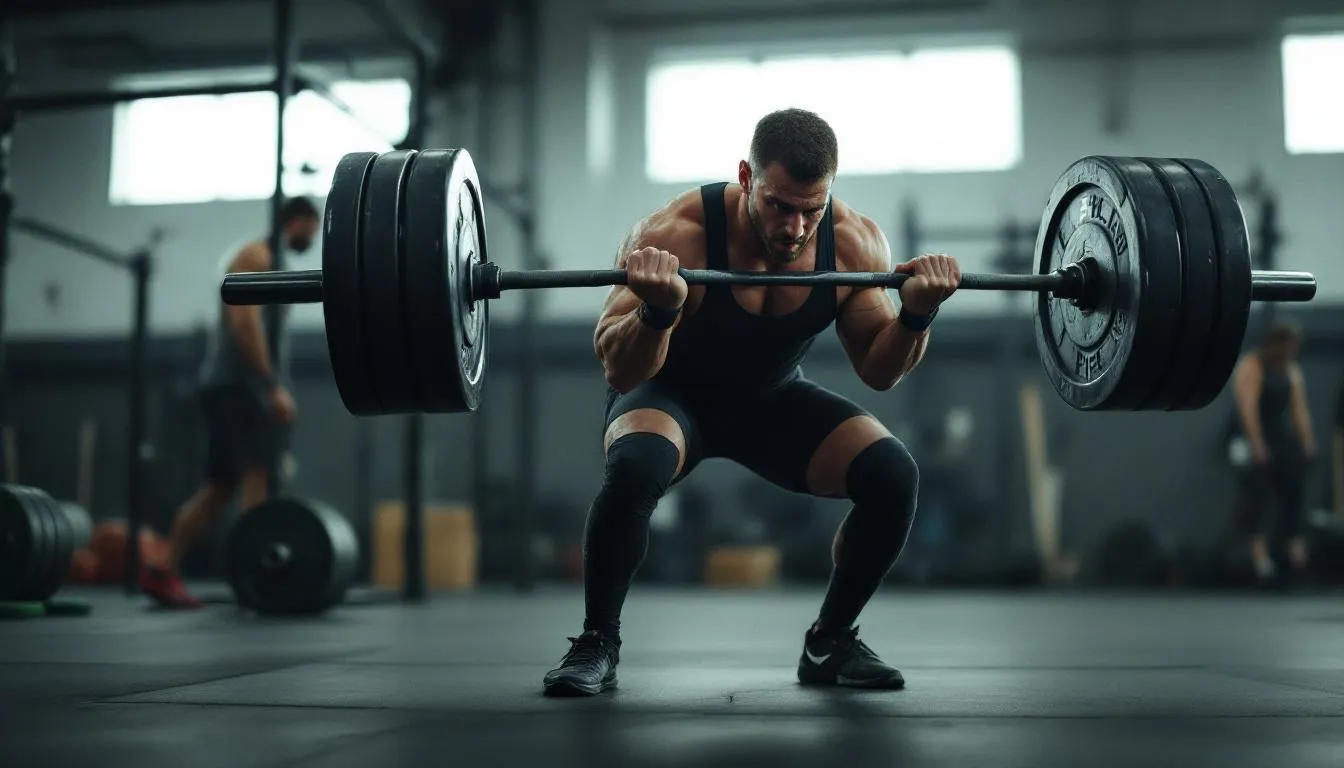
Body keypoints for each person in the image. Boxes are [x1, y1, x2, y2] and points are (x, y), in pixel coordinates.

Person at [542, 108, 961, 696]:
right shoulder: (674, 234)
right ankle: (597, 643)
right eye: (779, 205)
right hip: (670, 394)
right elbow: (620, 366)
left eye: (811, 210)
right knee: (637, 467)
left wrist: (918, 314)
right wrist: (657, 311)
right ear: (746, 176)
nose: (795, 228)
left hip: (769, 401)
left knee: (892, 475)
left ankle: (829, 642)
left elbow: (879, 370)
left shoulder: (853, 244)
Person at [140, 197, 321, 609]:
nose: (312, 238)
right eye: (311, 229)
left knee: (253, 479)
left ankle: (241, 571)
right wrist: (271, 384)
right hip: (236, 389)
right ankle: (167, 565)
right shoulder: (256, 255)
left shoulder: (271, 258)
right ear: (297, 222)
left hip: (247, 390)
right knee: (227, 484)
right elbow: (243, 322)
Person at [1229, 321, 1317, 584]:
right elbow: (1248, 408)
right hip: (1251, 439)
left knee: (1294, 495)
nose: (1292, 350)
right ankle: (1261, 563)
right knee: (1257, 499)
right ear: (1276, 344)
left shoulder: (1291, 370)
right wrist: (1257, 445)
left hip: (1279, 439)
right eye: (1288, 345)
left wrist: (1307, 442)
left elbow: (1299, 411)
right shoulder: (1252, 365)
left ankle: (1297, 560)